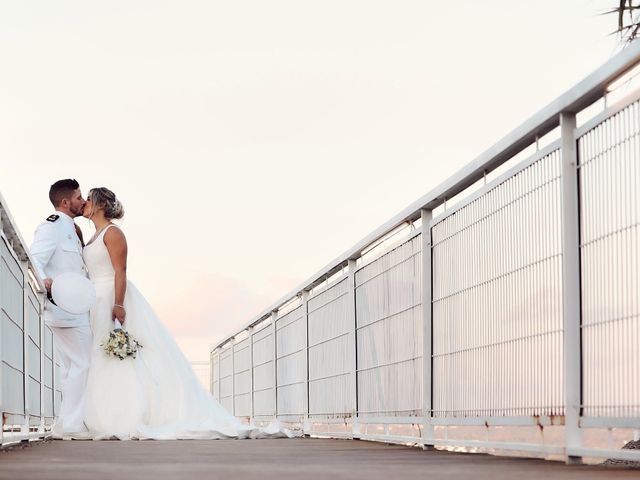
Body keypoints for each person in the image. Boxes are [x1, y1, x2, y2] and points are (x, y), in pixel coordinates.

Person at [81, 187, 293, 440]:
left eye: (89, 199)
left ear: (101, 204)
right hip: (94, 299)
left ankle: (129, 414)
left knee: (122, 356)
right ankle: (106, 413)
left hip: (111, 297)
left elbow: (120, 270)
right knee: (102, 355)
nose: (84, 202)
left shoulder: (113, 233)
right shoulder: (91, 236)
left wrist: (119, 304)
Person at [30, 179, 91, 438]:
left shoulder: (72, 229)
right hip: (64, 310)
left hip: (75, 310)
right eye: (78, 197)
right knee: (82, 364)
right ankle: (73, 425)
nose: (83, 201)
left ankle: (65, 424)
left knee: (70, 368)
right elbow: (35, 259)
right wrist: (45, 282)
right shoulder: (51, 227)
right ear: (65, 202)